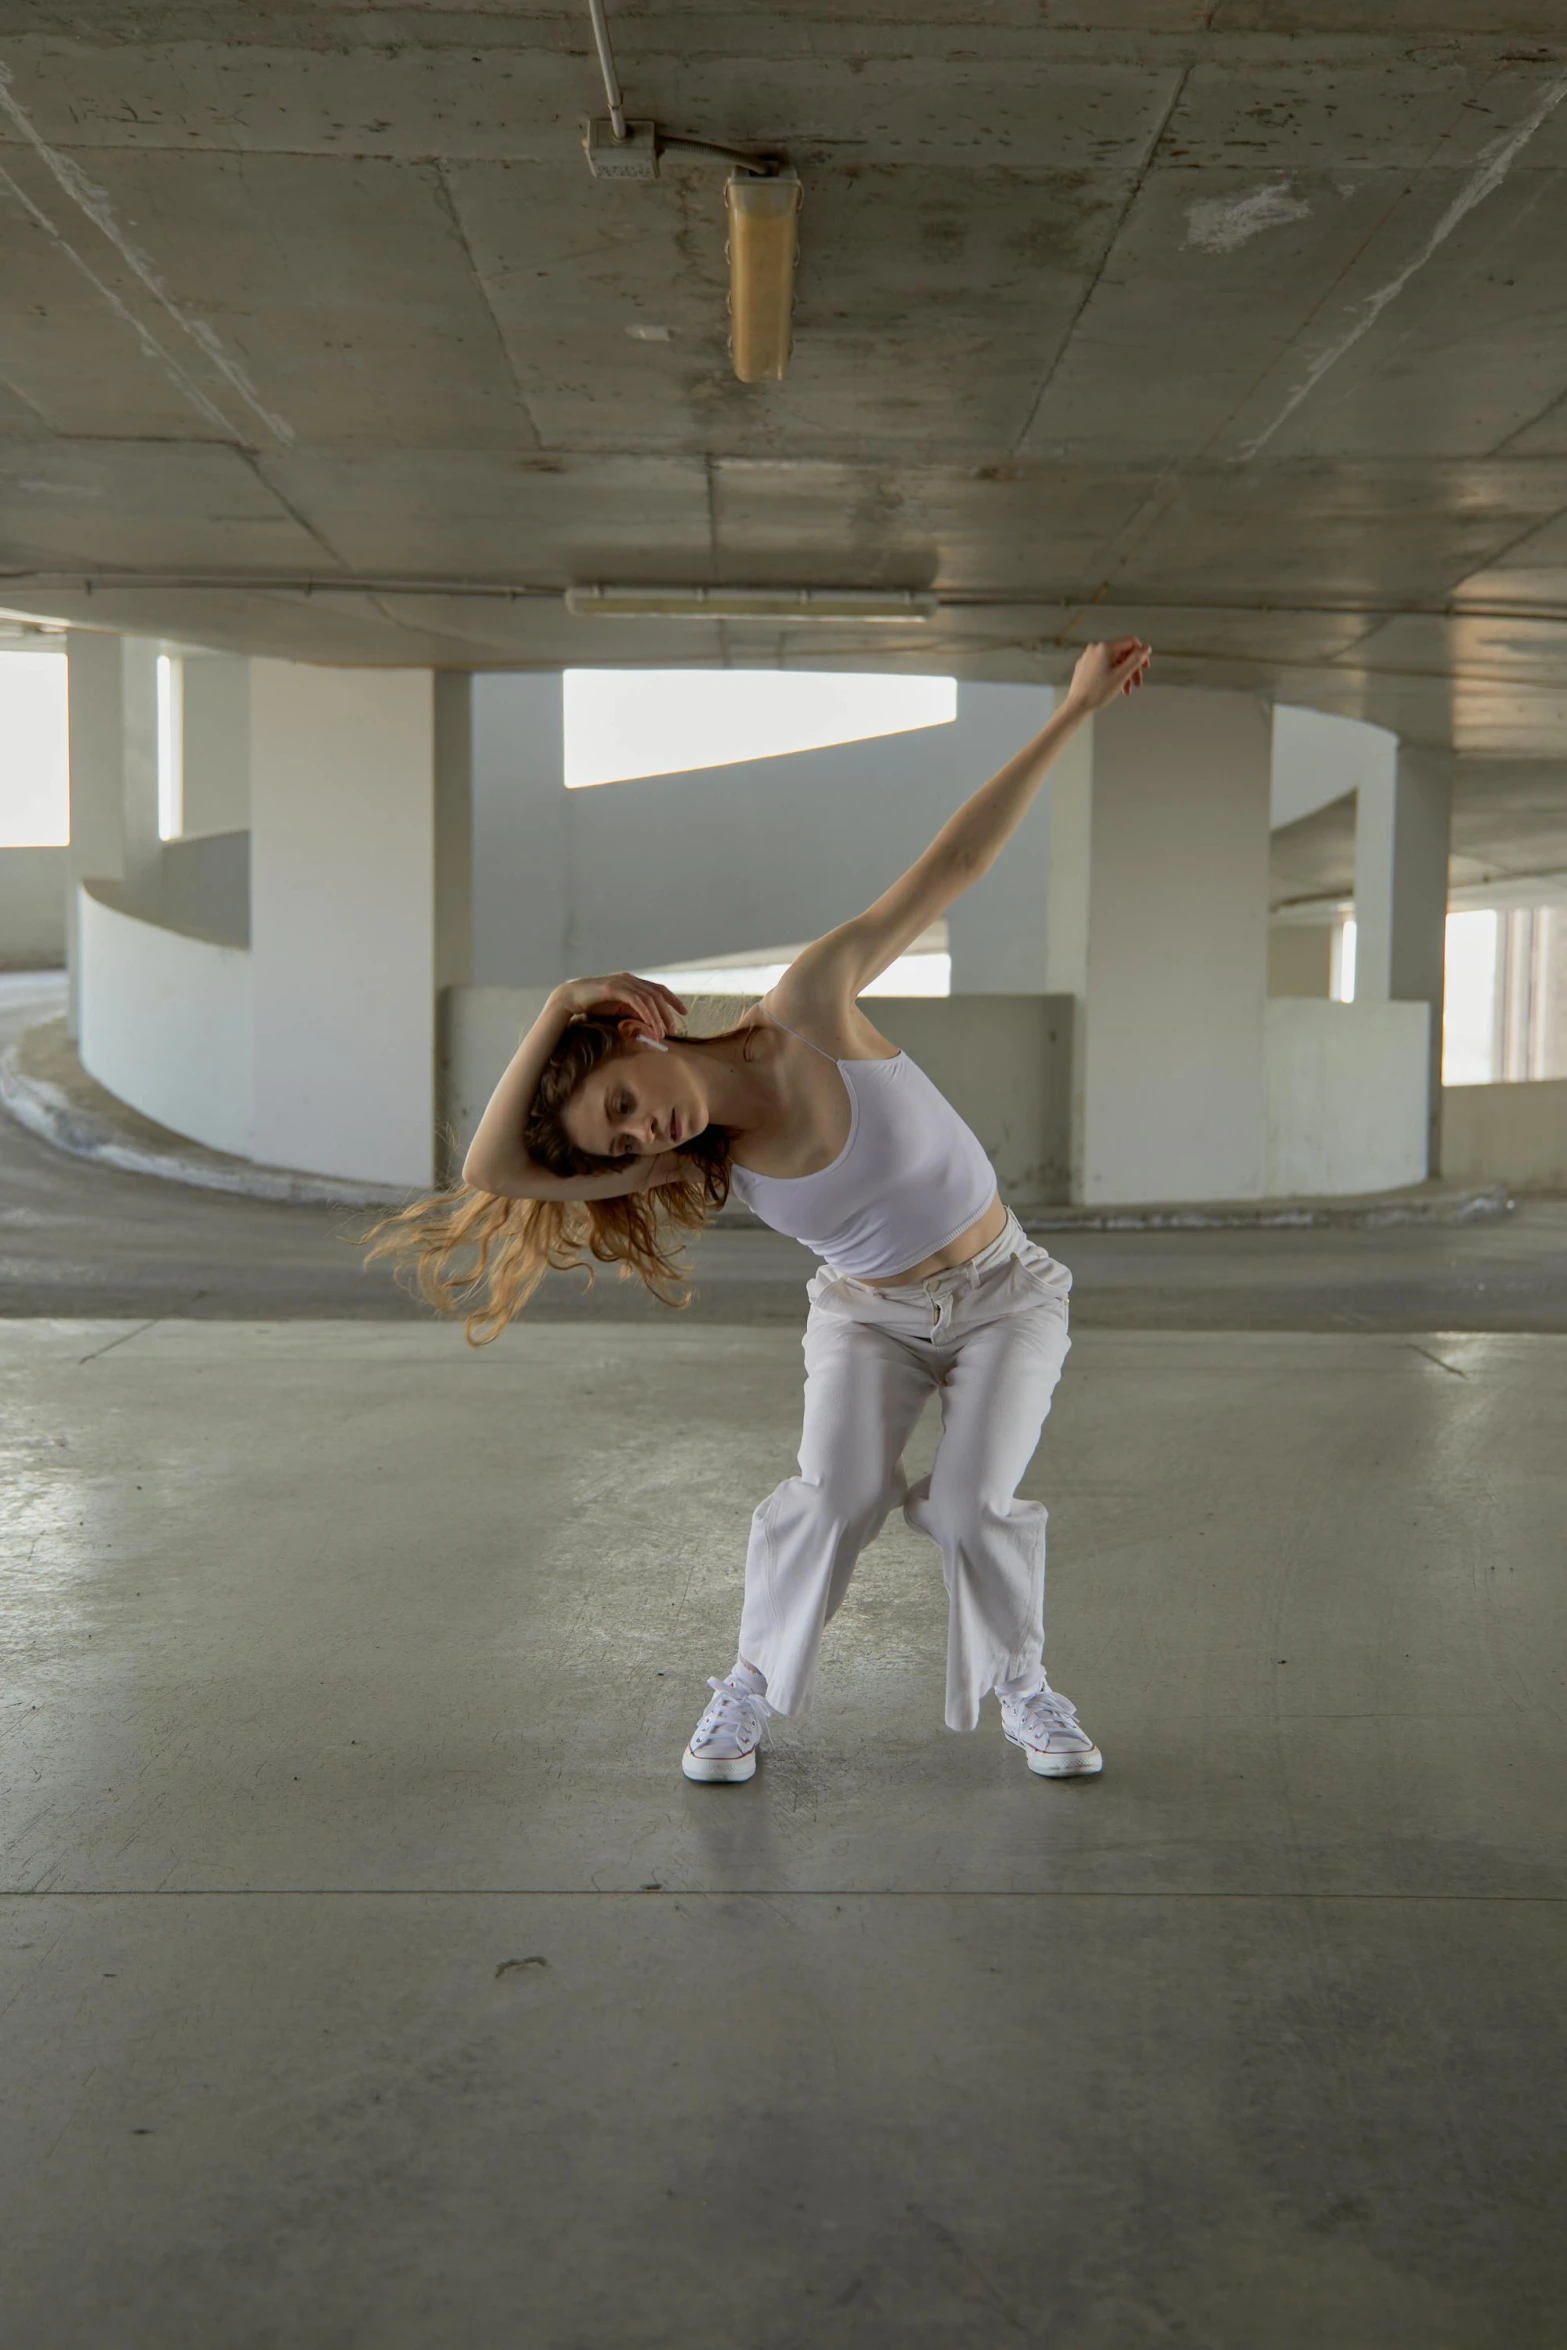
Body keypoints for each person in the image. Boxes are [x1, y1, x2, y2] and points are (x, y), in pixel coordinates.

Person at [370, 637, 1152, 1784]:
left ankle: (1022, 1687)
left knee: (974, 1508)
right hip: (868, 1319)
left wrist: (1074, 709)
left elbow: (956, 860)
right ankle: (746, 1690)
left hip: (1004, 1298)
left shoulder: (811, 1001)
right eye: (621, 1141)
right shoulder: (698, 1164)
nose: (644, 1135)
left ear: (640, 1032)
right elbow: (497, 1172)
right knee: (835, 1498)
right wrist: (552, 1003)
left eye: (625, 1102)